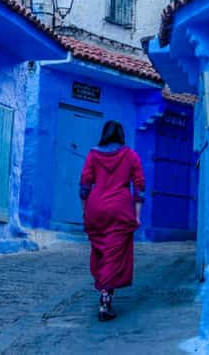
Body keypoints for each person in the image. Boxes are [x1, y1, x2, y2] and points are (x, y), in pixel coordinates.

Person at [79, 120, 145, 321]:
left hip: (95, 208)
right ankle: (105, 301)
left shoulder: (92, 155)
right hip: (120, 210)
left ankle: (105, 292)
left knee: (100, 253)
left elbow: (84, 186)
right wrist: (138, 215)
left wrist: (85, 212)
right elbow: (139, 187)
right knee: (114, 254)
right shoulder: (130, 155)